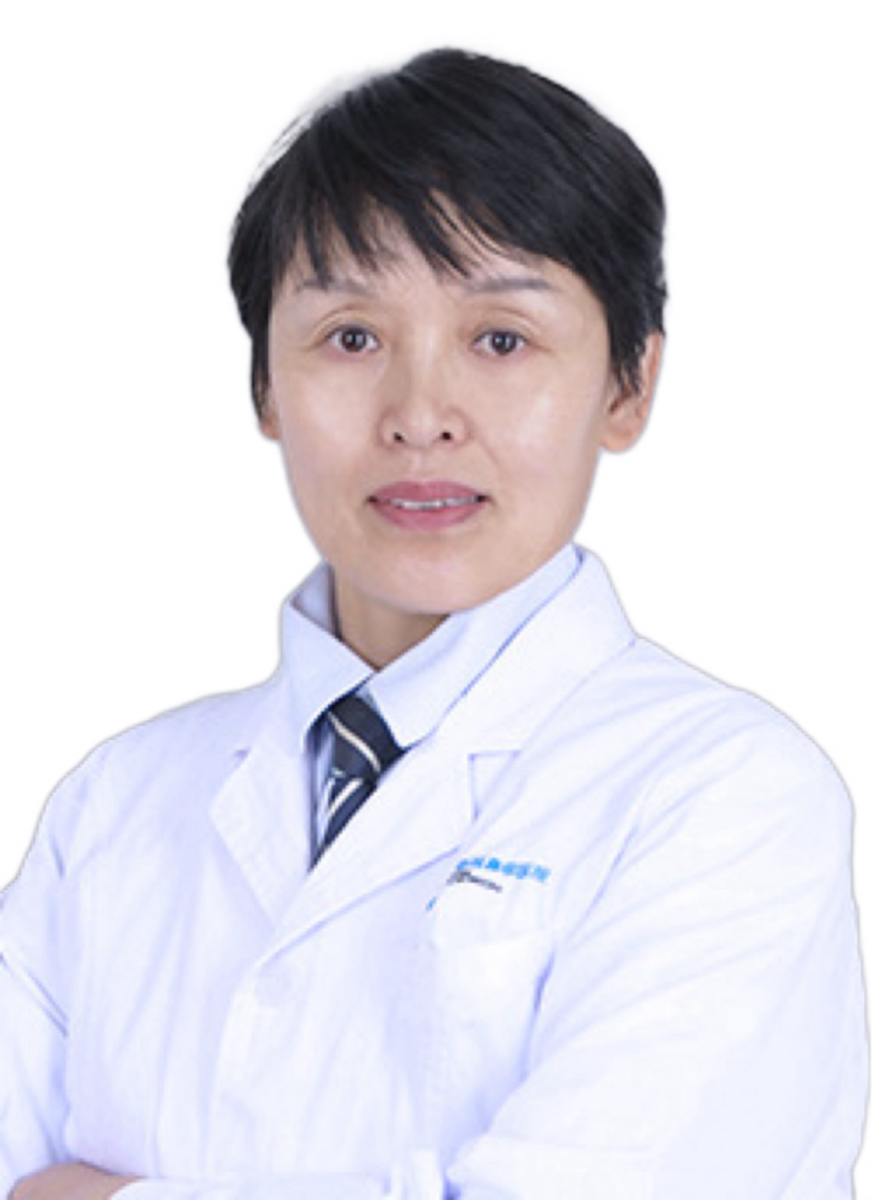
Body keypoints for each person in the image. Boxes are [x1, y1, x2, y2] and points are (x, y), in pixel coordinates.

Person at [1, 46, 866, 1200]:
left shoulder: (726, 798)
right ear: (264, 386)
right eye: (350, 338)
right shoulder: (113, 806)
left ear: (626, 387)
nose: (419, 416)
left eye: (499, 340)